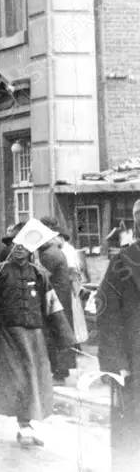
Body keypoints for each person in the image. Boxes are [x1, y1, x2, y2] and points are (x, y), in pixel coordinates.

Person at [0, 227, 74, 448]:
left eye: (25, 245)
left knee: (34, 379)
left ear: (32, 248)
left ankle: (27, 425)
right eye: (16, 244)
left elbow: (52, 305)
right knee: (17, 379)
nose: (20, 249)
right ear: (11, 246)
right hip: (9, 335)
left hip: (34, 335)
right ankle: (23, 425)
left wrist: (65, 337)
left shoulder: (40, 274)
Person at [96, 197, 140, 471]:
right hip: (134, 361)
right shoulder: (122, 262)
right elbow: (107, 315)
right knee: (132, 427)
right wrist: (115, 363)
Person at [37, 216, 78, 384]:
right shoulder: (54, 250)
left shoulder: (49, 254)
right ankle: (61, 371)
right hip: (59, 298)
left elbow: (41, 278)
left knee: (55, 335)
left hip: (55, 299)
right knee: (59, 333)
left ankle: (60, 373)